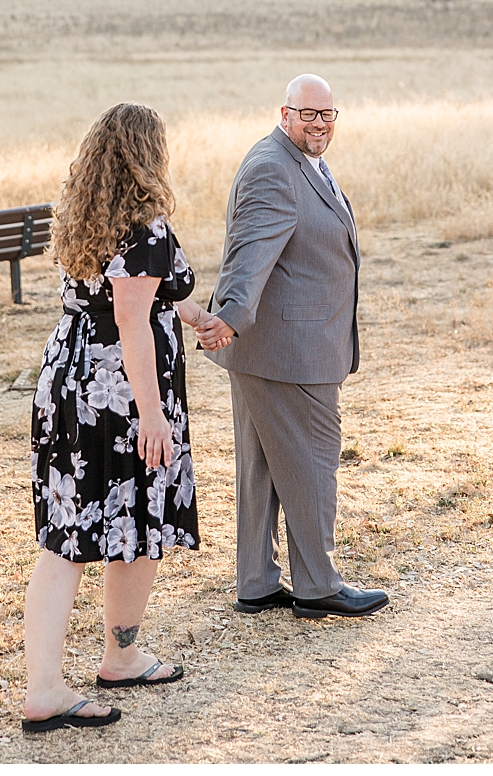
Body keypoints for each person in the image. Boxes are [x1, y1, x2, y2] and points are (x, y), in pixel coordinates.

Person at [23, 103, 204, 734]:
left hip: (69, 378)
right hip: (119, 395)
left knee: (78, 531)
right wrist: (153, 416)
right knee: (86, 533)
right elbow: (131, 320)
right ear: (147, 154)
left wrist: (190, 316)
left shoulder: (89, 217)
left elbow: (135, 296)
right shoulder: (147, 226)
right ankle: (47, 689)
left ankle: (120, 655)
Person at [193, 74, 388, 618]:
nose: (320, 123)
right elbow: (249, 253)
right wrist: (228, 317)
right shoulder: (272, 169)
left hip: (271, 349)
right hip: (288, 351)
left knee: (260, 467)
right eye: (309, 114)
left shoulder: (299, 162)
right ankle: (318, 584)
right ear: (285, 113)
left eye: (327, 114)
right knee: (312, 463)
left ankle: (256, 581)